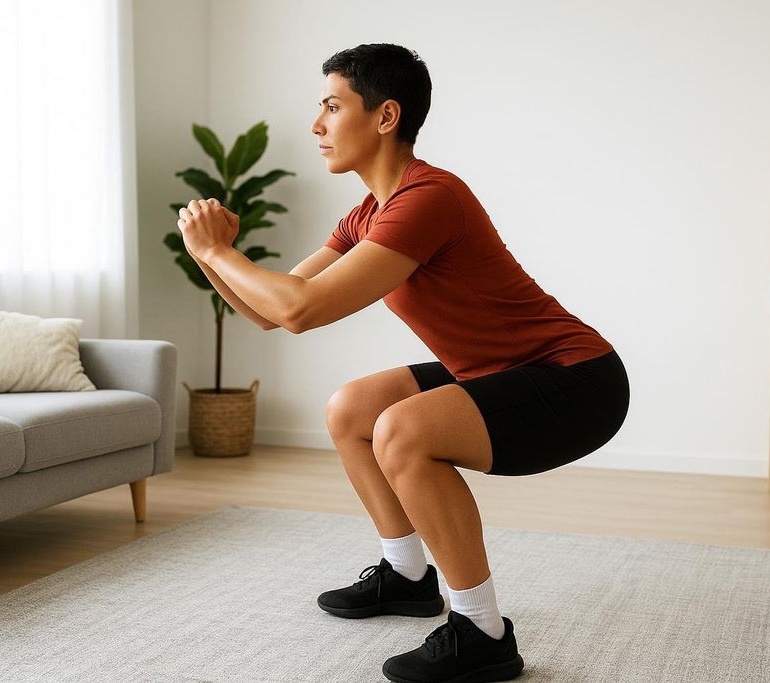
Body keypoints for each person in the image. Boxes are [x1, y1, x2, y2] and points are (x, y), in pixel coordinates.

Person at [177, 42, 630, 683]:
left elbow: (301, 309)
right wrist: (207, 253)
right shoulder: (367, 214)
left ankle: (481, 632)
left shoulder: (429, 198)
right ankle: (406, 576)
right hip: (496, 371)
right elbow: (268, 312)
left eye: (333, 107)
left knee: (402, 431)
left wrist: (219, 253)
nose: (316, 125)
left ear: (386, 116)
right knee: (354, 410)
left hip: (576, 381)